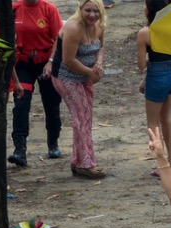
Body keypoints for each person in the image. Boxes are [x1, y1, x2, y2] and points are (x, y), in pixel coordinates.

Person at [52, 0, 106, 179]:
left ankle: (77, 160)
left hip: (85, 76)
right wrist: (91, 73)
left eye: (96, 11)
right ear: (80, 10)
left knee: (85, 117)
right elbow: (68, 60)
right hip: (65, 76)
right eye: (88, 11)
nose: (92, 15)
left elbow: (101, 47)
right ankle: (86, 163)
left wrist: (98, 63)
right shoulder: (74, 28)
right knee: (81, 118)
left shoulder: (99, 25)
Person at [8, 0, 63, 168]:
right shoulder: (15, 9)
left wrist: (51, 62)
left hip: (46, 60)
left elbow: (58, 38)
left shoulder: (48, 9)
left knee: (51, 103)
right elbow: (7, 38)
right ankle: (20, 150)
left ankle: (53, 143)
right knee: (21, 104)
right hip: (24, 63)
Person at [137, 0, 171, 173]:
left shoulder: (145, 33)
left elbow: (141, 65)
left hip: (157, 75)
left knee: (153, 123)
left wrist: (149, 58)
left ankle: (162, 163)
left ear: (151, 9)